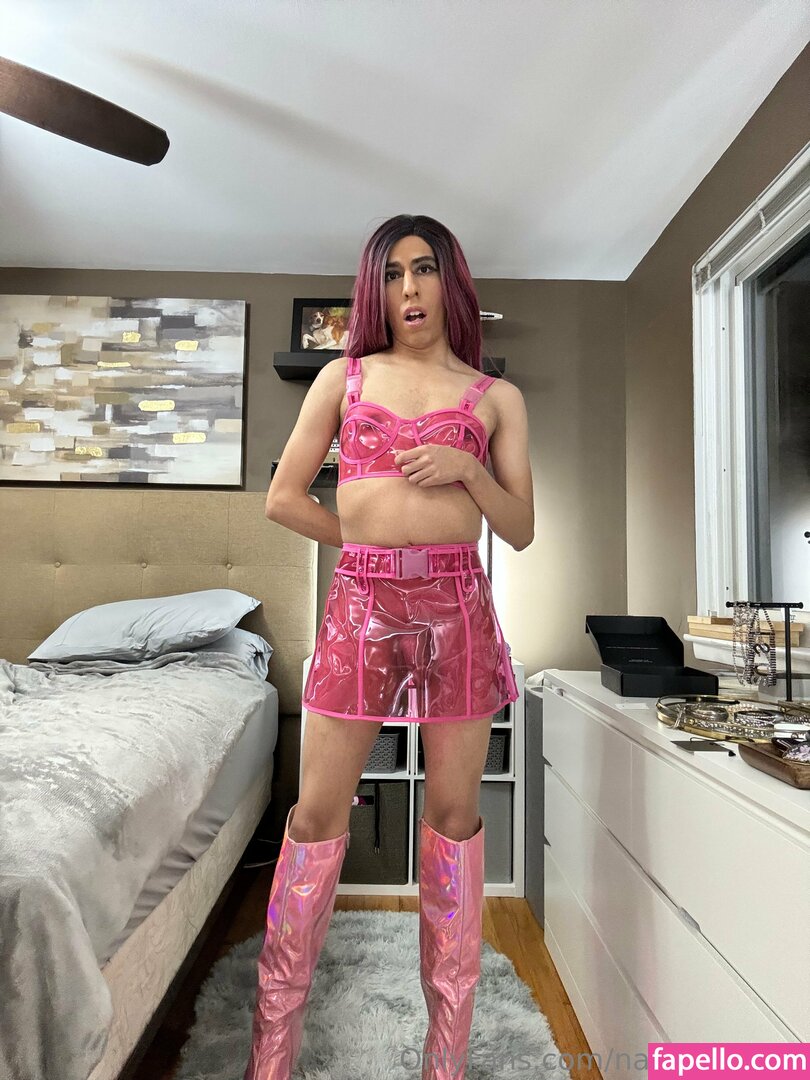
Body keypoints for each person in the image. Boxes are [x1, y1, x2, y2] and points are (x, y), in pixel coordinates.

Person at [244, 213, 534, 1080]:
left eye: (425, 269)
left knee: (453, 822)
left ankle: (445, 1062)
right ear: (378, 290)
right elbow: (283, 497)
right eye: (394, 273)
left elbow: (519, 528)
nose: (410, 288)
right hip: (361, 604)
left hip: (457, 608)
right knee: (314, 819)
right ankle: (271, 1057)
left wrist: (468, 470)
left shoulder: (496, 399)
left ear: (452, 283)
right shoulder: (344, 377)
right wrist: (366, 542)